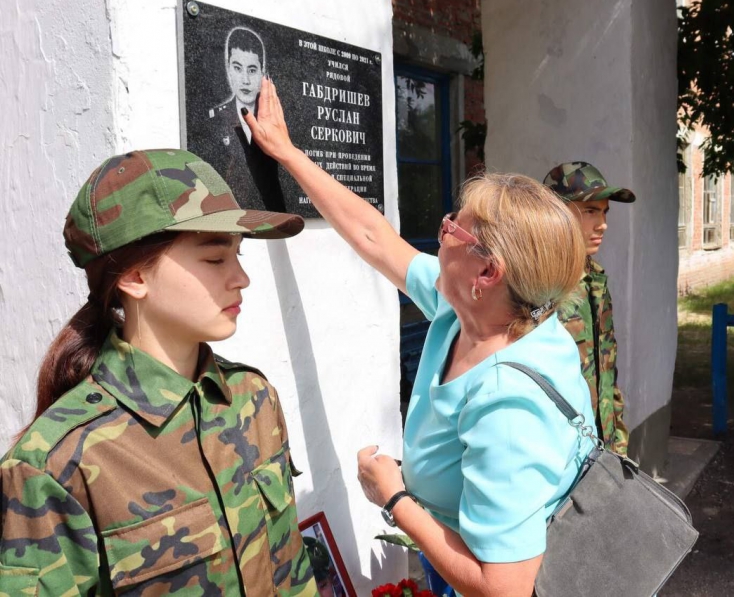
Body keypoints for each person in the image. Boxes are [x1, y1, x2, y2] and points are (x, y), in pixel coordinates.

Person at [244, 78, 594, 597]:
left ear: (488, 272)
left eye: (456, 228)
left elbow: (505, 587)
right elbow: (374, 236)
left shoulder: (509, 406)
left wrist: (395, 498)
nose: (443, 227)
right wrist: (289, 154)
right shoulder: (476, 312)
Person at [0, 149, 315, 595]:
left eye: (238, 255)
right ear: (132, 277)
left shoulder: (252, 397)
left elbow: (290, 568)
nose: (241, 278)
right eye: (214, 259)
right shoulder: (54, 465)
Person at [543, 161, 634, 455]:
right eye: (591, 211)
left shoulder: (593, 276)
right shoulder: (536, 282)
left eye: (604, 212)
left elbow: (605, 368)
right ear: (556, 213)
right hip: (556, 452)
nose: (603, 224)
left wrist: (616, 441)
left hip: (597, 446)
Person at [206, 26, 286, 212]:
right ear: (228, 68)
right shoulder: (214, 121)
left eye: (252, 70)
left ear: (262, 72)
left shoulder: (277, 124)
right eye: (237, 68)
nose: (245, 80)